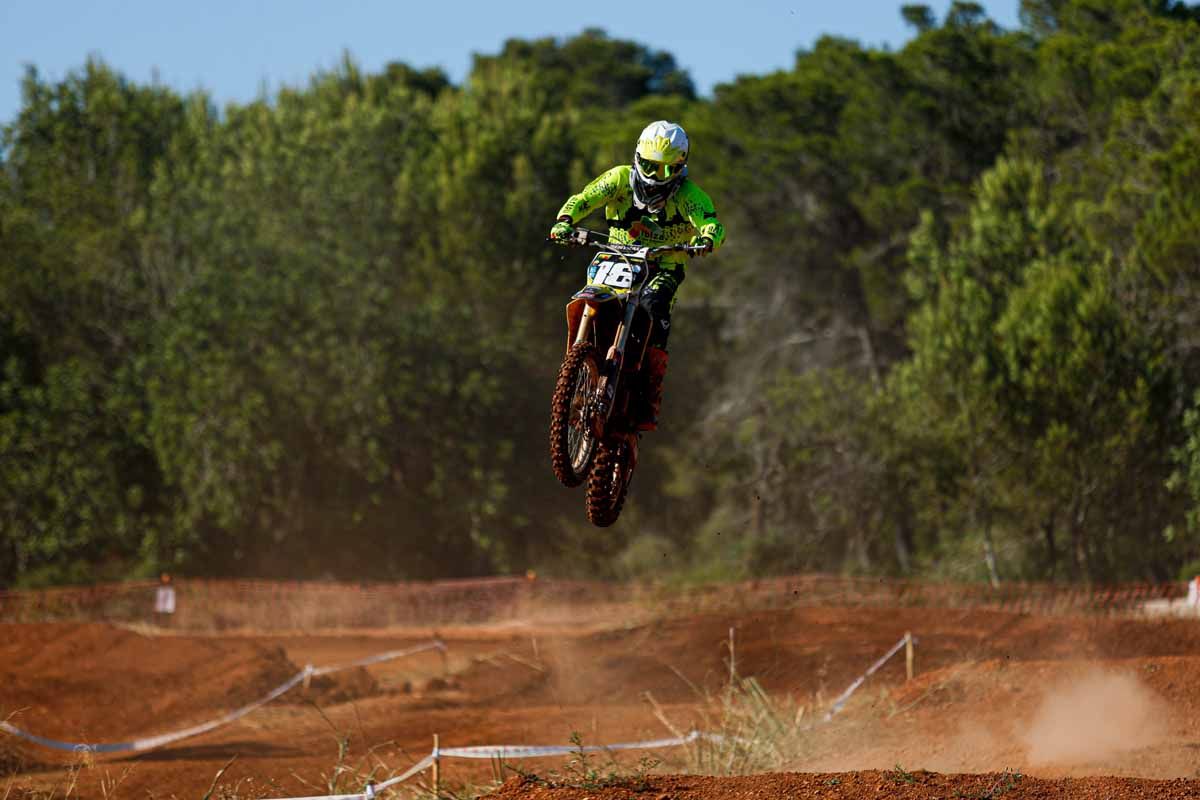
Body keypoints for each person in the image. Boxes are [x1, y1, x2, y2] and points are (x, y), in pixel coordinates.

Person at [549, 120, 726, 430]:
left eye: (664, 170)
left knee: (653, 307)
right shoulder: (618, 179)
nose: (654, 176)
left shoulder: (689, 195)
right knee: (588, 297)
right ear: (637, 157)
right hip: (616, 257)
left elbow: (711, 223)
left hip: (663, 266)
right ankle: (577, 368)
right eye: (648, 165)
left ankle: (650, 392)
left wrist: (707, 239)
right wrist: (565, 220)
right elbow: (584, 198)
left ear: (680, 167)